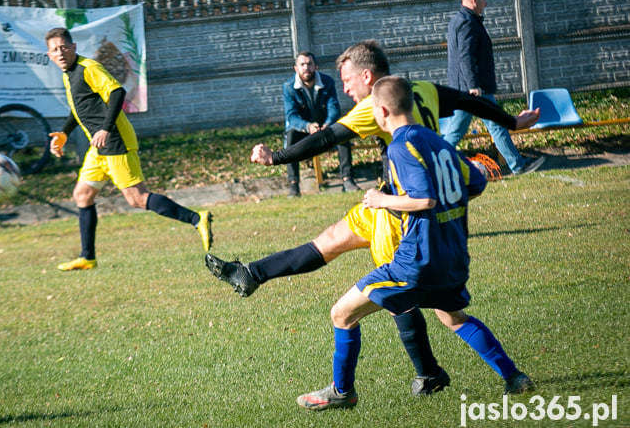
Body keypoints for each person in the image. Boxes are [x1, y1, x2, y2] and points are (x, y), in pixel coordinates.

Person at [205, 40, 540, 394]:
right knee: (332, 239)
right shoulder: (419, 90)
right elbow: (466, 101)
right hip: (390, 196)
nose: (346, 89)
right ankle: (253, 273)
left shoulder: (374, 108)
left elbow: (326, 140)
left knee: (400, 295)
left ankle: (424, 373)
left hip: (397, 206)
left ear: (368, 77)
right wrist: (511, 122)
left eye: (348, 81)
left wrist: (277, 157)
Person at [295, 76, 533, 411]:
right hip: (452, 256)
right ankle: (514, 377)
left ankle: (342, 392)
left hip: (416, 260)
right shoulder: (437, 142)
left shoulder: (399, 146)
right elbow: (477, 181)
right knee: (453, 317)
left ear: (381, 111)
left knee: (342, 314)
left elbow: (424, 200)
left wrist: (382, 200)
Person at [45, 27, 213, 270]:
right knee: (82, 195)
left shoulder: (88, 68)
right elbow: (80, 107)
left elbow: (116, 92)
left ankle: (197, 218)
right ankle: (87, 257)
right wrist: (64, 132)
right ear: (49, 55)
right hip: (98, 146)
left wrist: (105, 128)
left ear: (73, 47)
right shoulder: (68, 73)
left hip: (114, 140)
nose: (60, 53)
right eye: (54, 50)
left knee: (137, 198)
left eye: (63, 47)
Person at [443, 0, 544, 175]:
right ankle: (518, 165)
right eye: (483, 0)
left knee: (461, 133)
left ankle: (518, 164)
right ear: (474, 0)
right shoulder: (468, 23)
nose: (486, 3)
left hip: (465, 89)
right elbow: (465, 56)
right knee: (492, 127)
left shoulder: (459, 19)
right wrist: (473, 85)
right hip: (472, 90)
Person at [283, 51, 359, 197]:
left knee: (343, 132)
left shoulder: (327, 81)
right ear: (296, 68)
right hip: (303, 130)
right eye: (302, 64)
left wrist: (327, 124)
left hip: (325, 127)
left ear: (316, 66)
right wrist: (307, 126)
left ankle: (347, 180)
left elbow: (334, 107)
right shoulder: (288, 87)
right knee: (290, 136)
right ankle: (294, 186)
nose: (306, 68)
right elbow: (291, 116)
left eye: (309, 64)